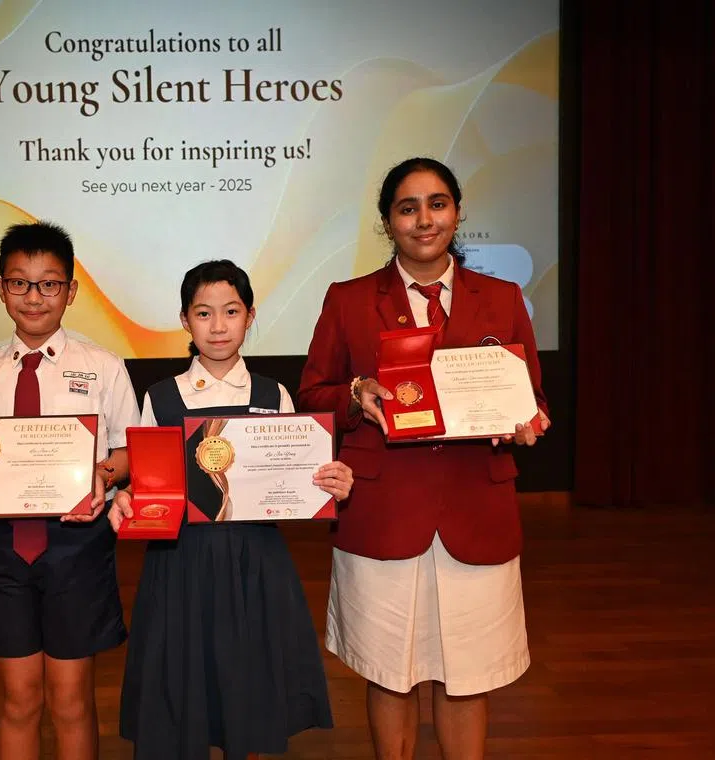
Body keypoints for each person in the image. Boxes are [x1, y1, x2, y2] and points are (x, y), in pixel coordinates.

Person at [297, 157, 551, 759]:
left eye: (437, 204)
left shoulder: (503, 298)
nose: (424, 219)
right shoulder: (349, 299)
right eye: (407, 208)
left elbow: (534, 398)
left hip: (476, 507)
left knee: (470, 671)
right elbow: (312, 395)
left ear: (457, 211)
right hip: (384, 510)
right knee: (391, 668)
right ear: (389, 222)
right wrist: (357, 394)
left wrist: (527, 423)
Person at [109, 259, 354, 760]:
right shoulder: (160, 397)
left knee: (250, 689)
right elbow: (150, 483)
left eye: (231, 311)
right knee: (184, 690)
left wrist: (330, 482)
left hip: (254, 561)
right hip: (180, 563)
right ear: (184, 321)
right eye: (203, 313)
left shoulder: (274, 394)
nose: (218, 326)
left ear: (250, 316)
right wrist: (130, 499)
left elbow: (295, 479)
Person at [0, 222, 140, 760]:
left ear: (71, 291)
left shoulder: (102, 368)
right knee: (17, 698)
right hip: (0, 550)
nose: (34, 297)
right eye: (20, 283)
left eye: (49, 284)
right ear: (1, 288)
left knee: (72, 699)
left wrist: (101, 474)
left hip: (77, 547)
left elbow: (130, 452)